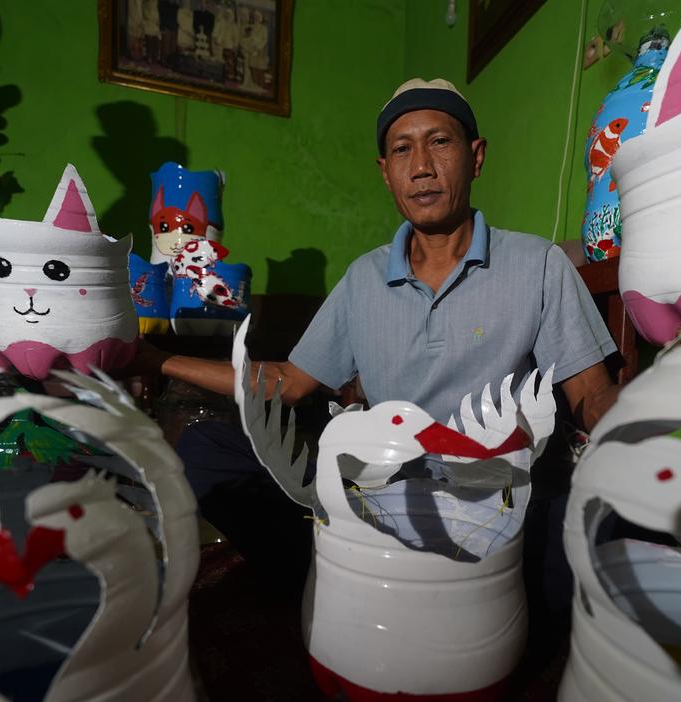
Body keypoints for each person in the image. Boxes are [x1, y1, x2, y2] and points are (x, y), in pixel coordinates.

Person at [137, 79, 619, 607]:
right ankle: (356, 578)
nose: (422, 167)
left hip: (501, 503)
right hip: (387, 499)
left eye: (440, 142)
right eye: (402, 150)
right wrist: (155, 359)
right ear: (386, 172)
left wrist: (648, 416)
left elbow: (591, 395)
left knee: (605, 533)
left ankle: (366, 585)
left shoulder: (537, 264)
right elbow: (288, 383)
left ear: (476, 156)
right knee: (206, 451)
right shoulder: (363, 279)